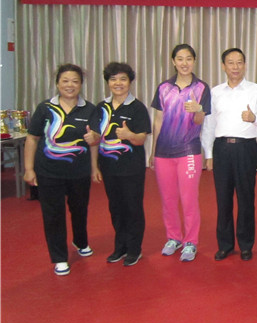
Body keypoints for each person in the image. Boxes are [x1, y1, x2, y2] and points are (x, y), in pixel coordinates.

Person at [23, 63, 99, 276]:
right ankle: (59, 257)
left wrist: (94, 163)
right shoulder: (45, 108)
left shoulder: (90, 109)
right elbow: (32, 138)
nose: (70, 85)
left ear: (81, 84)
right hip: (49, 172)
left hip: (79, 171)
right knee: (53, 214)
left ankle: (80, 241)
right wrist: (29, 169)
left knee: (80, 209)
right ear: (57, 84)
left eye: (75, 81)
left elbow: (95, 141)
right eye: (65, 81)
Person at [201, 48, 257, 262]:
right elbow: (209, 125)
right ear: (223, 66)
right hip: (222, 148)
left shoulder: (256, 90)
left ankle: (246, 245)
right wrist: (209, 153)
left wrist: (253, 118)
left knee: (246, 198)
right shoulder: (215, 92)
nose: (235, 67)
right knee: (223, 199)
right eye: (231, 63)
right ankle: (225, 245)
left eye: (239, 62)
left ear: (245, 65)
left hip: (246, 148)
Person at [150, 44, 210, 262]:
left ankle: (190, 241)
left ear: (194, 61)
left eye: (189, 59)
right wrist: (153, 150)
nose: (185, 63)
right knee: (168, 199)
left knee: (189, 199)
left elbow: (200, 121)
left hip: (188, 151)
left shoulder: (202, 88)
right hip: (163, 152)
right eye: (180, 59)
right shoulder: (163, 88)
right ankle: (173, 237)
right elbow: (158, 120)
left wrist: (198, 110)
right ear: (173, 61)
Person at [92, 62, 151, 267]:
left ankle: (134, 249)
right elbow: (95, 138)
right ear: (108, 82)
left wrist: (129, 135)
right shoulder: (101, 107)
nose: (118, 83)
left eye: (123, 79)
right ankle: (120, 246)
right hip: (108, 167)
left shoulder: (137, 108)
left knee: (133, 208)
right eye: (113, 79)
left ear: (130, 82)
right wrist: (94, 166)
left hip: (131, 167)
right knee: (115, 208)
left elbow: (141, 139)